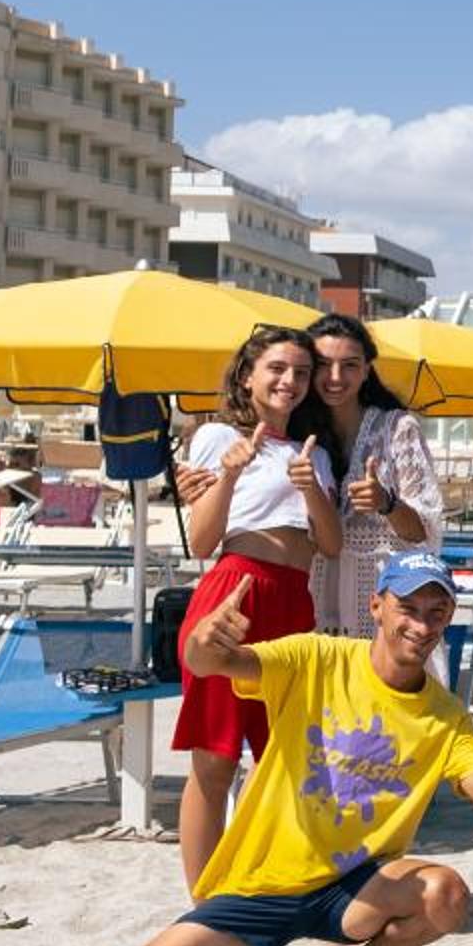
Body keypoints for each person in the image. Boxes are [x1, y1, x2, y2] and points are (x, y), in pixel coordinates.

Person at [83, 554, 473, 946]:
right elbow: (211, 662)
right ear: (376, 606)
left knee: (446, 894)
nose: (421, 625)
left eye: (436, 612)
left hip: (353, 891)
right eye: (408, 607)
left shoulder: (447, 716)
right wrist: (203, 640)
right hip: (263, 886)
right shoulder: (316, 657)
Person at [171, 324, 341, 898]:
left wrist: (311, 487)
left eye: (300, 372)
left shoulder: (313, 454)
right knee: (215, 759)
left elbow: (331, 545)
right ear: (247, 376)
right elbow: (201, 541)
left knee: (280, 760)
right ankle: (203, 900)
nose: (290, 380)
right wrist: (230, 472)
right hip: (235, 592)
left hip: (294, 601)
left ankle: (253, 886)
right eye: (277, 368)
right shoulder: (218, 437)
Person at [300, 314, 444, 638]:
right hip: (314, 605)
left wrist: (386, 503)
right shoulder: (297, 433)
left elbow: (423, 533)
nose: (335, 377)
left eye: (350, 365)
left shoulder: (397, 429)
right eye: (323, 364)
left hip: (385, 606)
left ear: (367, 370)